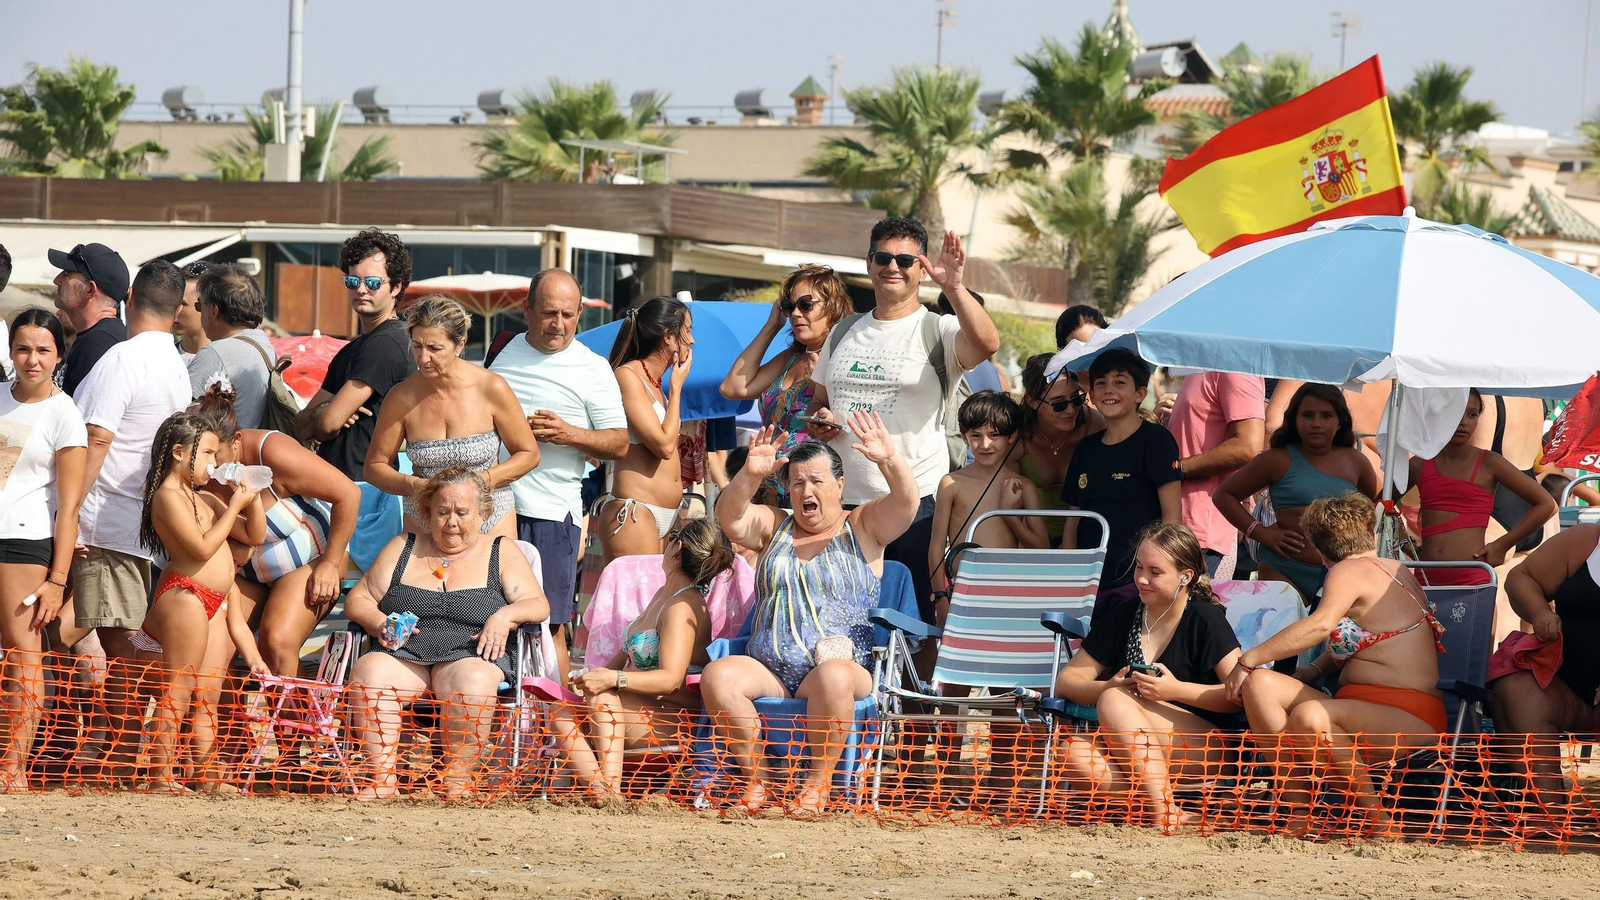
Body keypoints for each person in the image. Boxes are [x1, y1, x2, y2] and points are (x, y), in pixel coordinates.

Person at [702, 413, 918, 813]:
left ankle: (817, 786)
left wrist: (889, 460)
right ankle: (760, 782)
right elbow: (729, 518)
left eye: (817, 481)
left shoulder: (864, 526)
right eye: (798, 482)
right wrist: (749, 475)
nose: (807, 490)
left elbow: (907, 505)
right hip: (770, 668)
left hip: (840, 669)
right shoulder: (774, 525)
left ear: (839, 485)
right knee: (719, 675)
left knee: (833, 674)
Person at [806, 218, 1000, 624]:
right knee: (841, 618)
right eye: (884, 257)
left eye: (905, 259)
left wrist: (954, 288)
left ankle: (916, 689)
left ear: (920, 268)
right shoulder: (843, 330)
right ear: (868, 262)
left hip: (915, 503)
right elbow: (821, 399)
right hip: (843, 503)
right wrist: (820, 421)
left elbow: (986, 343)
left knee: (914, 621)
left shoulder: (938, 328)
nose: (892, 266)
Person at [1228, 493, 1446, 836]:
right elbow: (1367, 640)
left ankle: (1378, 821)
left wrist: (1248, 659)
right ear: (1370, 534)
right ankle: (1299, 811)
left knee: (1306, 713)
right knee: (1261, 684)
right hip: (1360, 711)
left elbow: (1320, 625)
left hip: (1408, 718)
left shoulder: (1349, 570)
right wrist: (1310, 673)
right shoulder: (1392, 568)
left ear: (1319, 549)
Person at [345, 466, 549, 800]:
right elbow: (360, 599)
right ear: (427, 513)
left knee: (473, 680)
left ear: (483, 513)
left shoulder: (501, 550)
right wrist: (378, 622)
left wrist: (505, 615)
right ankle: (382, 780)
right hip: (404, 654)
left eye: (461, 512)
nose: (451, 521)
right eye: (441, 512)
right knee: (369, 670)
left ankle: (456, 781)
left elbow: (537, 604)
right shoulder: (404, 546)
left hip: (468, 654)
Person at [70, 259, 190, 778]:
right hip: (133, 522)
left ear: (132, 297)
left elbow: (95, 437)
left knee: (113, 638)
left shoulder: (125, 357)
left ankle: (118, 750)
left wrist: (67, 508)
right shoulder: (175, 366)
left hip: (104, 519)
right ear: (178, 307)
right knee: (108, 635)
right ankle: (114, 745)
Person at [1055, 523, 1242, 830]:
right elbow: (1068, 681)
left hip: (1204, 747)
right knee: (1072, 753)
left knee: (1115, 699)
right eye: (1139, 567)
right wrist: (1109, 684)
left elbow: (1238, 696)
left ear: (1186, 577)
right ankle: (1165, 807)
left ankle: (1160, 810)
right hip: (1134, 748)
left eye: (1155, 572)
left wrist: (1175, 690)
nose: (1141, 578)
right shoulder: (1123, 615)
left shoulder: (1205, 618)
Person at [488, 268, 628, 679]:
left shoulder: (593, 367)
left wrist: (569, 434)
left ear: (581, 312)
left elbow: (620, 443)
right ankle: (504, 722)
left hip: (552, 514)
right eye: (549, 313)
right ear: (527, 310)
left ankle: (556, 728)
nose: (559, 324)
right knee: (487, 621)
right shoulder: (503, 349)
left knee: (548, 629)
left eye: (569, 315)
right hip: (493, 507)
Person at [134, 410, 269, 793]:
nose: (215, 463)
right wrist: (236, 507)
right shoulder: (168, 497)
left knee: (208, 693)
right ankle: (161, 777)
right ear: (179, 453)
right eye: (208, 453)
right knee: (177, 688)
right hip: (186, 595)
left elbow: (254, 535)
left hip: (213, 600)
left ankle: (204, 775)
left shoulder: (204, 497)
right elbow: (201, 546)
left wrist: (251, 497)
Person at [194, 383, 363, 675]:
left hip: (312, 559)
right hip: (247, 573)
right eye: (201, 454)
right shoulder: (197, 469)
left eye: (214, 454)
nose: (209, 465)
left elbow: (348, 494)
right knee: (216, 647)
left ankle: (293, 721)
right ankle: (229, 721)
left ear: (235, 440)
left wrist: (330, 563)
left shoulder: (271, 451)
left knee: (276, 642)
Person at [557, 518, 734, 798]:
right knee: (561, 710)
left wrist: (613, 679)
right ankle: (599, 791)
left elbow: (670, 679)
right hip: (638, 711)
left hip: (670, 723)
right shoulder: (665, 594)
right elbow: (625, 653)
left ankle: (611, 791)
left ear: (677, 548)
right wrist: (591, 677)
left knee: (602, 698)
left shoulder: (681, 607)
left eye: (672, 537)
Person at [364, 295, 537, 541]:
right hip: (425, 519)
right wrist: (414, 486)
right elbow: (374, 467)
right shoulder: (401, 397)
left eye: (434, 348)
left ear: (460, 345)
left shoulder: (491, 387)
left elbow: (529, 454)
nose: (423, 359)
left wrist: (483, 480)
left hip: (489, 517)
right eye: (416, 346)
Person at [0, 309, 87, 791]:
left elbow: (70, 507)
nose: (32, 360)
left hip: (27, 542)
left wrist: (57, 579)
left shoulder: (64, 413)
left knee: (23, 654)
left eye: (43, 350)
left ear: (59, 355)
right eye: (23, 348)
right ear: (11, 350)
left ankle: (12, 768)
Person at [1214, 383, 1378, 606]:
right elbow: (1224, 495)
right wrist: (1259, 532)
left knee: (1333, 641)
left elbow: (1375, 506)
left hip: (1342, 574)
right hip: (1283, 570)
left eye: (1326, 415)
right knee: (1281, 636)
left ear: (1340, 421)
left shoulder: (1357, 461)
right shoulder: (1276, 459)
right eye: (1308, 415)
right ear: (1294, 419)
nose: (1316, 423)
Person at [1487, 523, 1600, 823]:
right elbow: (1521, 578)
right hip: (1568, 690)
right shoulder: (1586, 541)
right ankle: (1545, 815)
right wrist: (1540, 612)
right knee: (1514, 688)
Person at [1060, 348, 1182, 613]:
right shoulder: (1086, 448)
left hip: (1136, 581)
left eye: (1119, 382)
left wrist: (1156, 572)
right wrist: (1069, 575)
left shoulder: (1157, 441)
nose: (1108, 390)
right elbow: (1073, 519)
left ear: (1140, 393)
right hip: (1087, 582)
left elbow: (1172, 515)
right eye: (1101, 383)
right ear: (1091, 394)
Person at [719, 263, 853, 503]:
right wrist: (772, 325)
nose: (795, 314)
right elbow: (733, 388)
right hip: (765, 488)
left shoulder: (843, 358)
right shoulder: (792, 357)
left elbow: (846, 422)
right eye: (790, 306)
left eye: (806, 304)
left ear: (832, 308)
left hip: (807, 492)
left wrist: (822, 385)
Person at [294, 227, 417, 482]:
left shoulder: (388, 342)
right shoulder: (351, 349)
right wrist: (328, 411)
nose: (361, 290)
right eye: (353, 281)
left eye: (372, 283)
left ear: (395, 287)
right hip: (338, 485)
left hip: (365, 488)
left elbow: (327, 425)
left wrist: (327, 415)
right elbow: (300, 425)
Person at [1409, 389, 1554, 586]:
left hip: (1473, 576)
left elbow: (1547, 504)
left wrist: (1502, 544)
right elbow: (1383, 504)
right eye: (1456, 412)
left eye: (1472, 414)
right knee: (1508, 612)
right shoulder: (1419, 464)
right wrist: (1403, 542)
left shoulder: (1489, 462)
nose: (1464, 422)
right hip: (1426, 577)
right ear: (1438, 412)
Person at [929, 390, 1047, 608]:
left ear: (1011, 436)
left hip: (1010, 591)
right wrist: (940, 597)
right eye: (976, 435)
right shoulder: (950, 483)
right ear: (964, 436)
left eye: (994, 435)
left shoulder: (1024, 486)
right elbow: (936, 546)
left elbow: (1042, 548)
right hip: (962, 591)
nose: (985, 445)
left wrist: (1010, 516)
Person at [598, 296, 694, 563]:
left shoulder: (655, 384)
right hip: (635, 512)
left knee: (658, 604)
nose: (692, 340)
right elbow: (663, 446)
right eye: (687, 331)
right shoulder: (627, 376)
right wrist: (676, 389)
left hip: (665, 515)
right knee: (636, 605)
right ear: (668, 336)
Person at [1163, 371, 1267, 576]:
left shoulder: (1235, 367)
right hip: (1177, 525)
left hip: (1203, 534)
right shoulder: (1200, 369)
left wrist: (1178, 468)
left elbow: (1248, 446)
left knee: (1196, 608)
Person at [1015, 354, 1105, 548]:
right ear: (1032, 401)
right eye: (1059, 404)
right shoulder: (1018, 434)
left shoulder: (1096, 425)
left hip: (1087, 540)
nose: (1071, 410)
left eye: (1076, 399)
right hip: (1029, 541)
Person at [185, 264, 277, 430]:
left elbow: (180, 412)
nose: (200, 313)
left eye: (199, 306)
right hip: (253, 450)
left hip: (224, 452)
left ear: (213, 311)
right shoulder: (264, 345)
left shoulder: (216, 353)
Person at [51, 242, 130, 398]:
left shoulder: (98, 343)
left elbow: (79, 417)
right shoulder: (98, 337)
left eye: (67, 274)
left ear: (90, 289)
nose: (57, 280)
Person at [172, 262, 211, 363]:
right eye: (173, 303)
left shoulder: (226, 361)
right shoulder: (164, 358)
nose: (174, 310)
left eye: (182, 304)